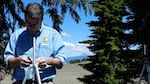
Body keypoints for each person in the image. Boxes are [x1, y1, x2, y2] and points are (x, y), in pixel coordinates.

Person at [4, 2, 66, 84]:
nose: (32, 28)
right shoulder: (16, 35)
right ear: (25, 18)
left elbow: (61, 59)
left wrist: (48, 61)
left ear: (42, 18)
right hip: (21, 81)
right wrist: (18, 60)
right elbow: (8, 59)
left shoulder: (53, 35)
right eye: (28, 24)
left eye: (36, 24)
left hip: (45, 81)